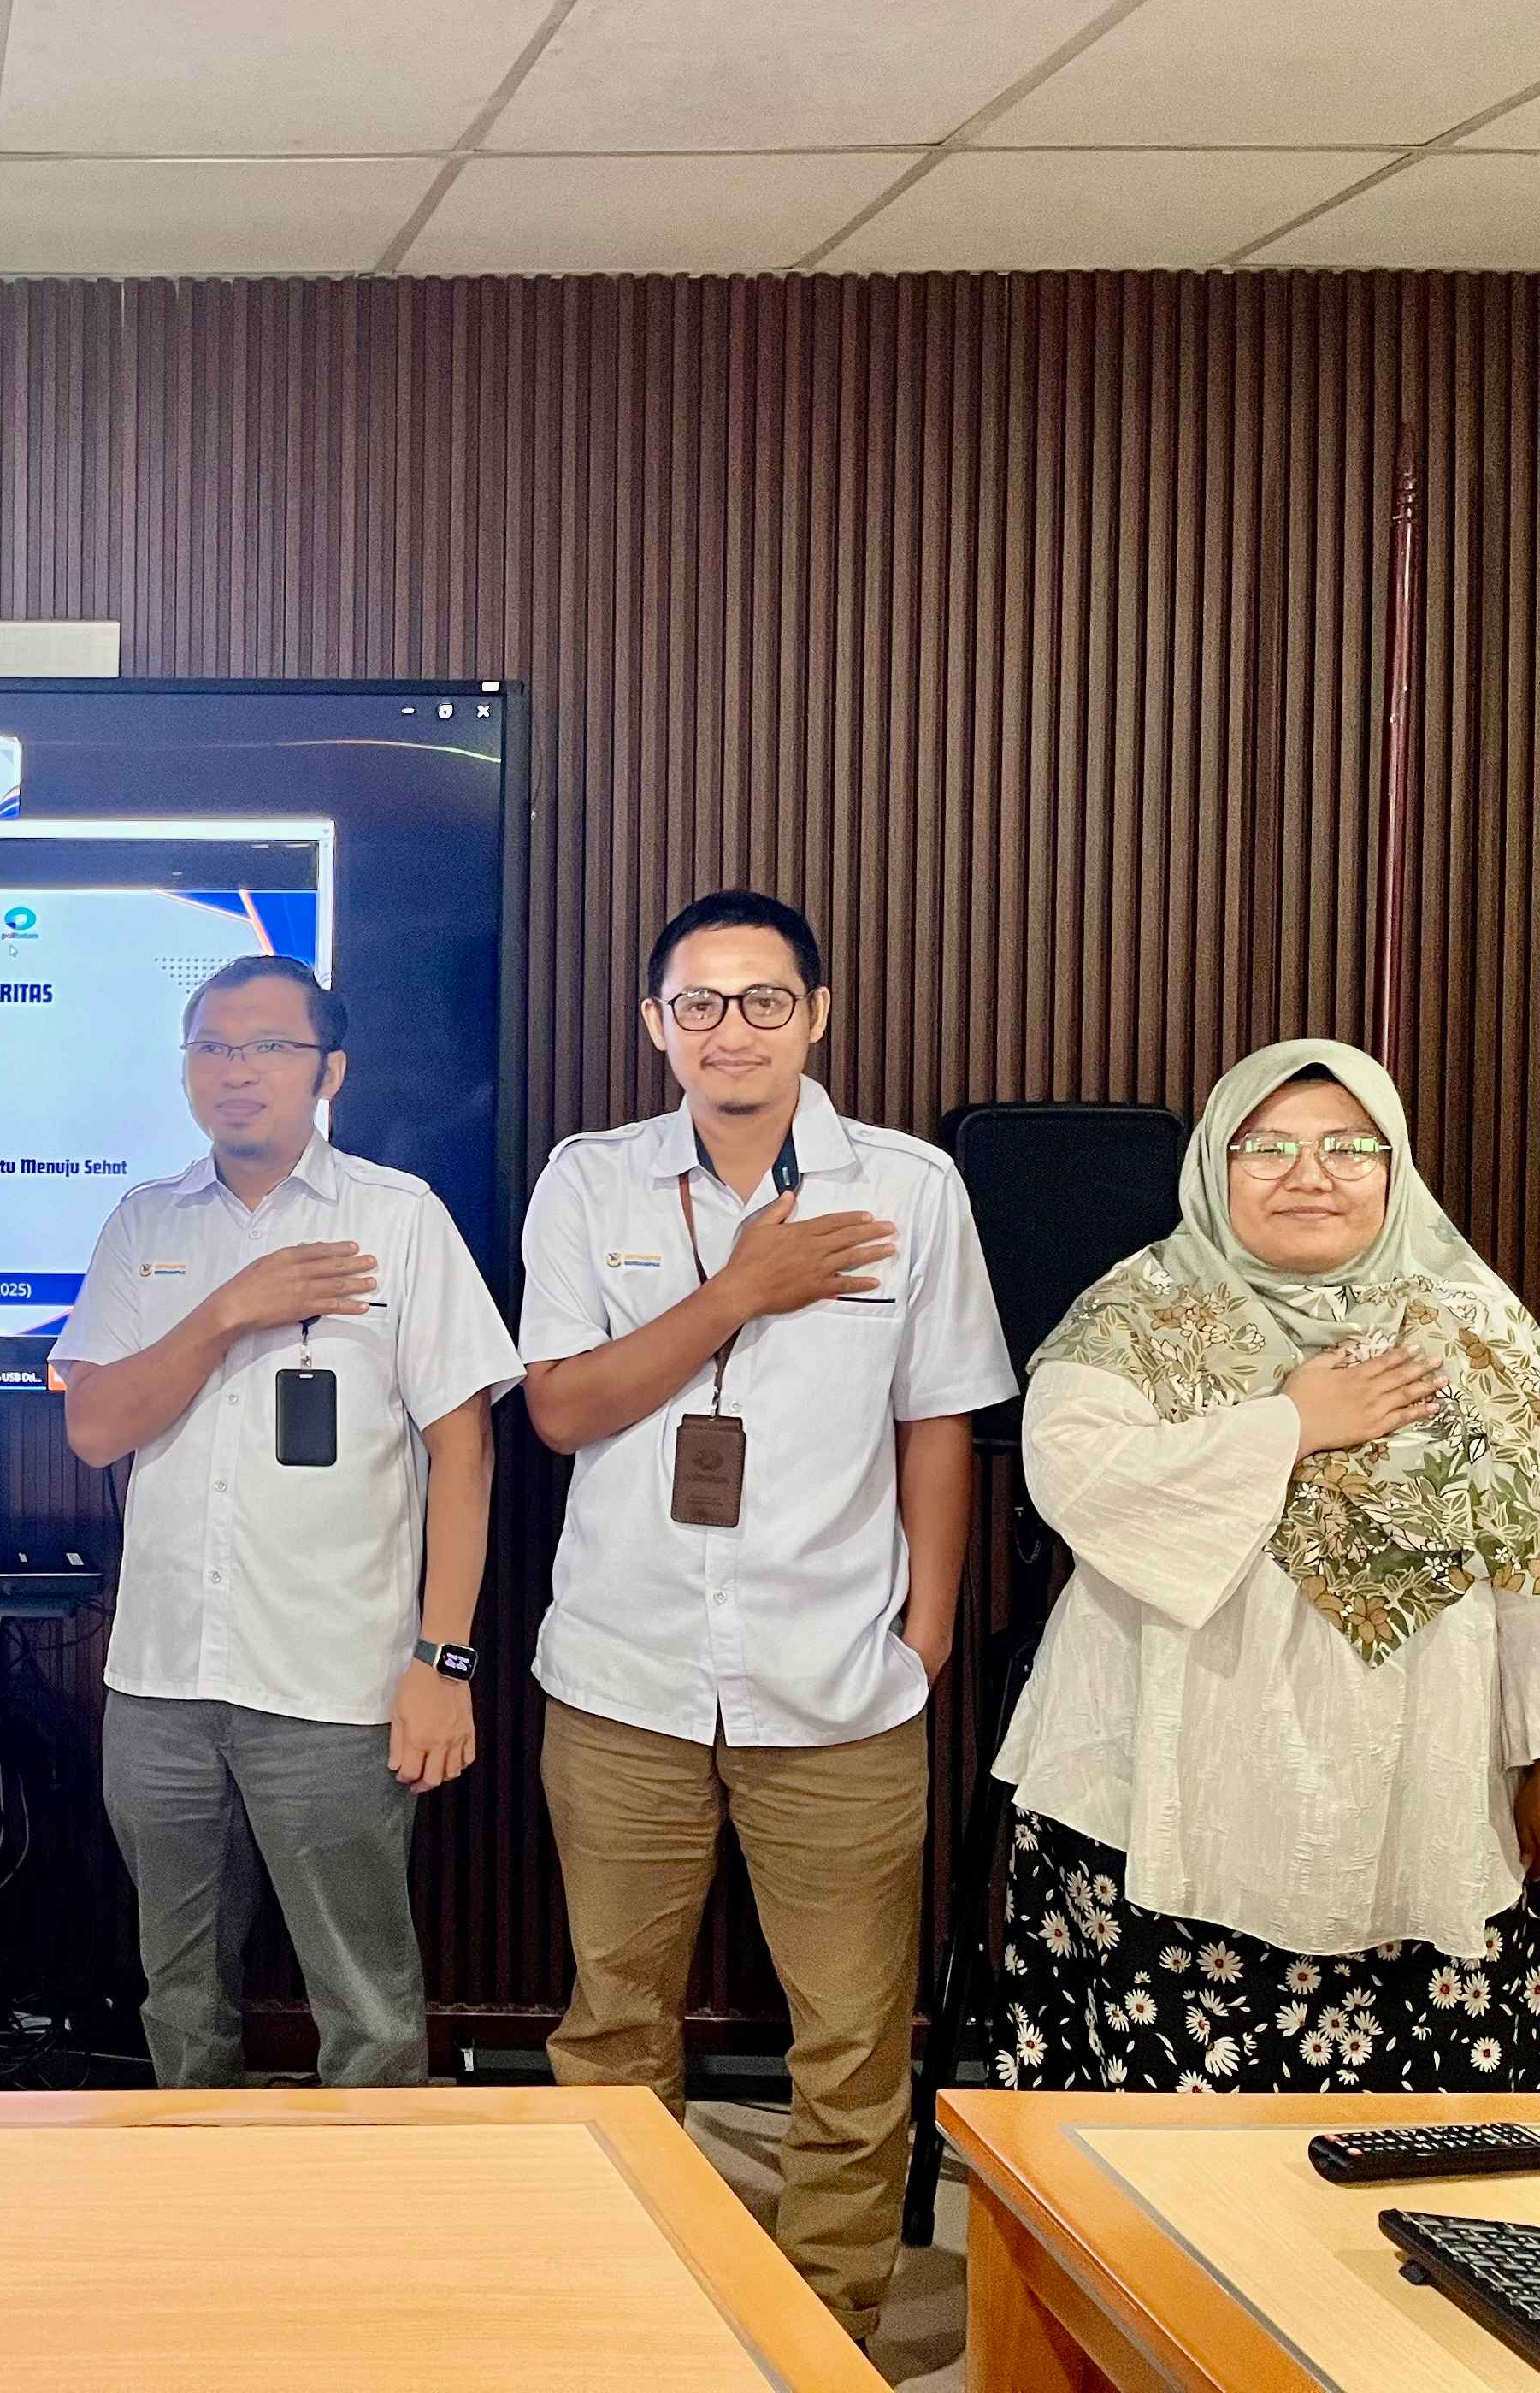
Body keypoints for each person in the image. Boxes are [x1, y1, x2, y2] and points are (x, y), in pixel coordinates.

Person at [516, 890, 1011, 2342]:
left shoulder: (909, 1188)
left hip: (837, 1678)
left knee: (850, 2041)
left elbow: (938, 1420)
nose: (730, 1028)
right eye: (699, 1002)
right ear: (654, 1022)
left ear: (817, 1014)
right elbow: (561, 1408)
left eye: (763, 999)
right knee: (614, 2021)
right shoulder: (591, 1181)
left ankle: (823, 2327)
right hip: (622, 1676)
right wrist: (740, 1290)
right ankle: (629, 2310)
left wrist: (926, 1630)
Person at [993, 1040, 1540, 2091]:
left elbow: (1529, 1559)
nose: (1310, 1175)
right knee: (1156, 2143)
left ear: (1394, 1167)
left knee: (1406, 2138)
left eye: (1349, 1147)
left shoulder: (1474, 1321)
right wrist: (1293, 1423)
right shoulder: (1135, 1312)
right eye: (1267, 1147)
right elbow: (1079, 1478)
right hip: (1159, 1772)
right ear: (1214, 1164)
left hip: (1419, 1784)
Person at [55, 953, 520, 2088]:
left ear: (330, 1071)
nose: (236, 1071)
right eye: (212, 1048)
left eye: (269, 1046)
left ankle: (370, 2199)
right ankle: (196, 2189)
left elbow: (465, 1451)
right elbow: (95, 1428)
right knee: (179, 1998)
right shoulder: (145, 1224)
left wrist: (444, 1662)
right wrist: (228, 1309)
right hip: (161, 1682)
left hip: (335, 1685)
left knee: (365, 2003)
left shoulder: (399, 1219)